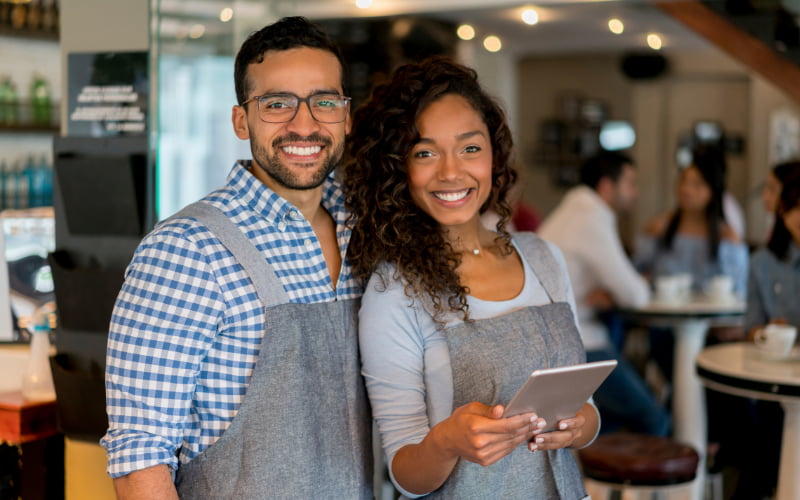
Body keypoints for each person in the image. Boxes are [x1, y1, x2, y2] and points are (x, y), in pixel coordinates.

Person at [101, 17, 373, 499]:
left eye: (324, 102)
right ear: (241, 120)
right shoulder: (185, 250)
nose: (304, 124)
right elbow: (140, 455)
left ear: (346, 116)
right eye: (277, 104)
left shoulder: (369, 231)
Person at [344, 57, 598, 499]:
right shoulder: (394, 292)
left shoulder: (543, 258)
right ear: (397, 169)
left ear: (494, 154)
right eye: (424, 153)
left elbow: (586, 408)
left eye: (470, 147)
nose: (450, 172)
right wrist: (446, 440)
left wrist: (578, 429)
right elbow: (404, 473)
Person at [538, 151, 670, 436]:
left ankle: (603, 478)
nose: (635, 193)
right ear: (607, 187)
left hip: (550, 340)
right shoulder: (592, 217)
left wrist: (611, 292)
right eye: (630, 184)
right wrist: (625, 288)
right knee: (655, 419)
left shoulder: (570, 212)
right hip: (577, 341)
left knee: (606, 421)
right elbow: (635, 295)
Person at [737, 172, 800, 499]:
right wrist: (767, 331)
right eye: (793, 208)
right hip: (776, 379)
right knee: (767, 425)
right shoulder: (762, 262)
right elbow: (751, 328)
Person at [635, 145, 748, 300]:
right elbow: (636, 274)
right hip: (663, 318)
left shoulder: (726, 236)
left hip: (711, 321)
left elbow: (738, 290)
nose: (686, 189)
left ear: (712, 191)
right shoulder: (660, 227)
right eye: (683, 181)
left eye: (697, 184)